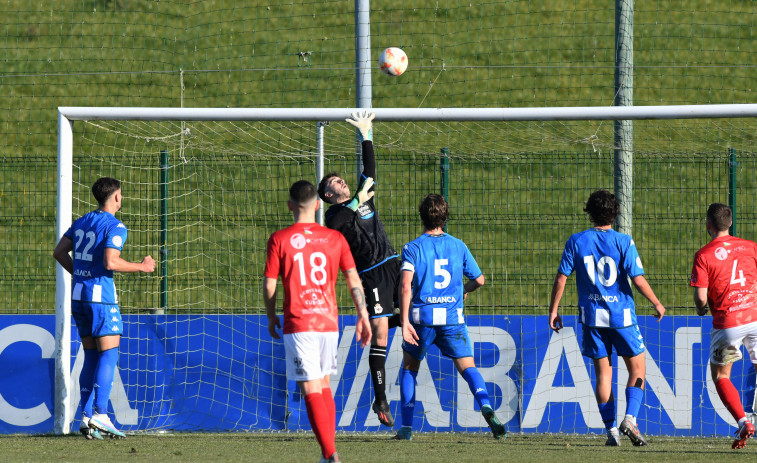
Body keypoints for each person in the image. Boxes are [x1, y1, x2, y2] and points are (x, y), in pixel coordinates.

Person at [264, 180, 372, 463]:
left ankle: (329, 454)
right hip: (328, 323)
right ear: (317, 204)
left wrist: (271, 314)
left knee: (311, 389)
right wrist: (363, 316)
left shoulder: (279, 239)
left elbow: (269, 285)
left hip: (299, 324)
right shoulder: (335, 239)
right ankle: (329, 452)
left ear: (290, 206)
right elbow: (353, 279)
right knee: (324, 386)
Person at [548, 189, 665, 447]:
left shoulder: (576, 241)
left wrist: (554, 310)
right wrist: (656, 302)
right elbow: (637, 278)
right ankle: (630, 419)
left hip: (592, 319)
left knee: (603, 375)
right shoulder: (624, 241)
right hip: (621, 317)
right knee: (637, 368)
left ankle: (611, 431)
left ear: (589, 212)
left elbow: (561, 278)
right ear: (616, 213)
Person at [393, 194, 507, 441]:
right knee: (469, 368)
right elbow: (479, 280)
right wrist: (464, 290)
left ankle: (407, 428)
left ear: (421, 217)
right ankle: (486, 405)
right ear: (445, 218)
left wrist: (403, 323)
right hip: (452, 319)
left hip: (422, 319)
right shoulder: (458, 245)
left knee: (410, 369)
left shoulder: (412, 248)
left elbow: (405, 286)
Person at [52, 177, 155, 439]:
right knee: (109, 355)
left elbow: (59, 252)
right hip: (100, 300)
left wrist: (81, 274)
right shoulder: (116, 226)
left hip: (79, 296)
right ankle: (100, 414)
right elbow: (111, 262)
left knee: (91, 356)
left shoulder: (82, 220)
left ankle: (86, 418)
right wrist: (142, 266)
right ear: (117, 197)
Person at [317, 110, 401, 427]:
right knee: (381, 334)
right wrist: (356, 201)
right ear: (328, 195)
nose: (341, 181)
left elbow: (370, 169)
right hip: (371, 274)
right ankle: (380, 399)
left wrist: (367, 134)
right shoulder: (334, 216)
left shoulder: (362, 197)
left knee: (417, 314)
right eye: (334, 182)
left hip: (392, 264)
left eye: (341, 179)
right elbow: (338, 222)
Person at [690, 203, 757, 449]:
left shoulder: (704, 255)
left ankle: (743, 422)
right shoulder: (751, 247)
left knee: (721, 375)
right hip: (755, 317)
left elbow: (700, 298)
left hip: (729, 325)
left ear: (708, 225)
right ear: (730, 223)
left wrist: (700, 310)